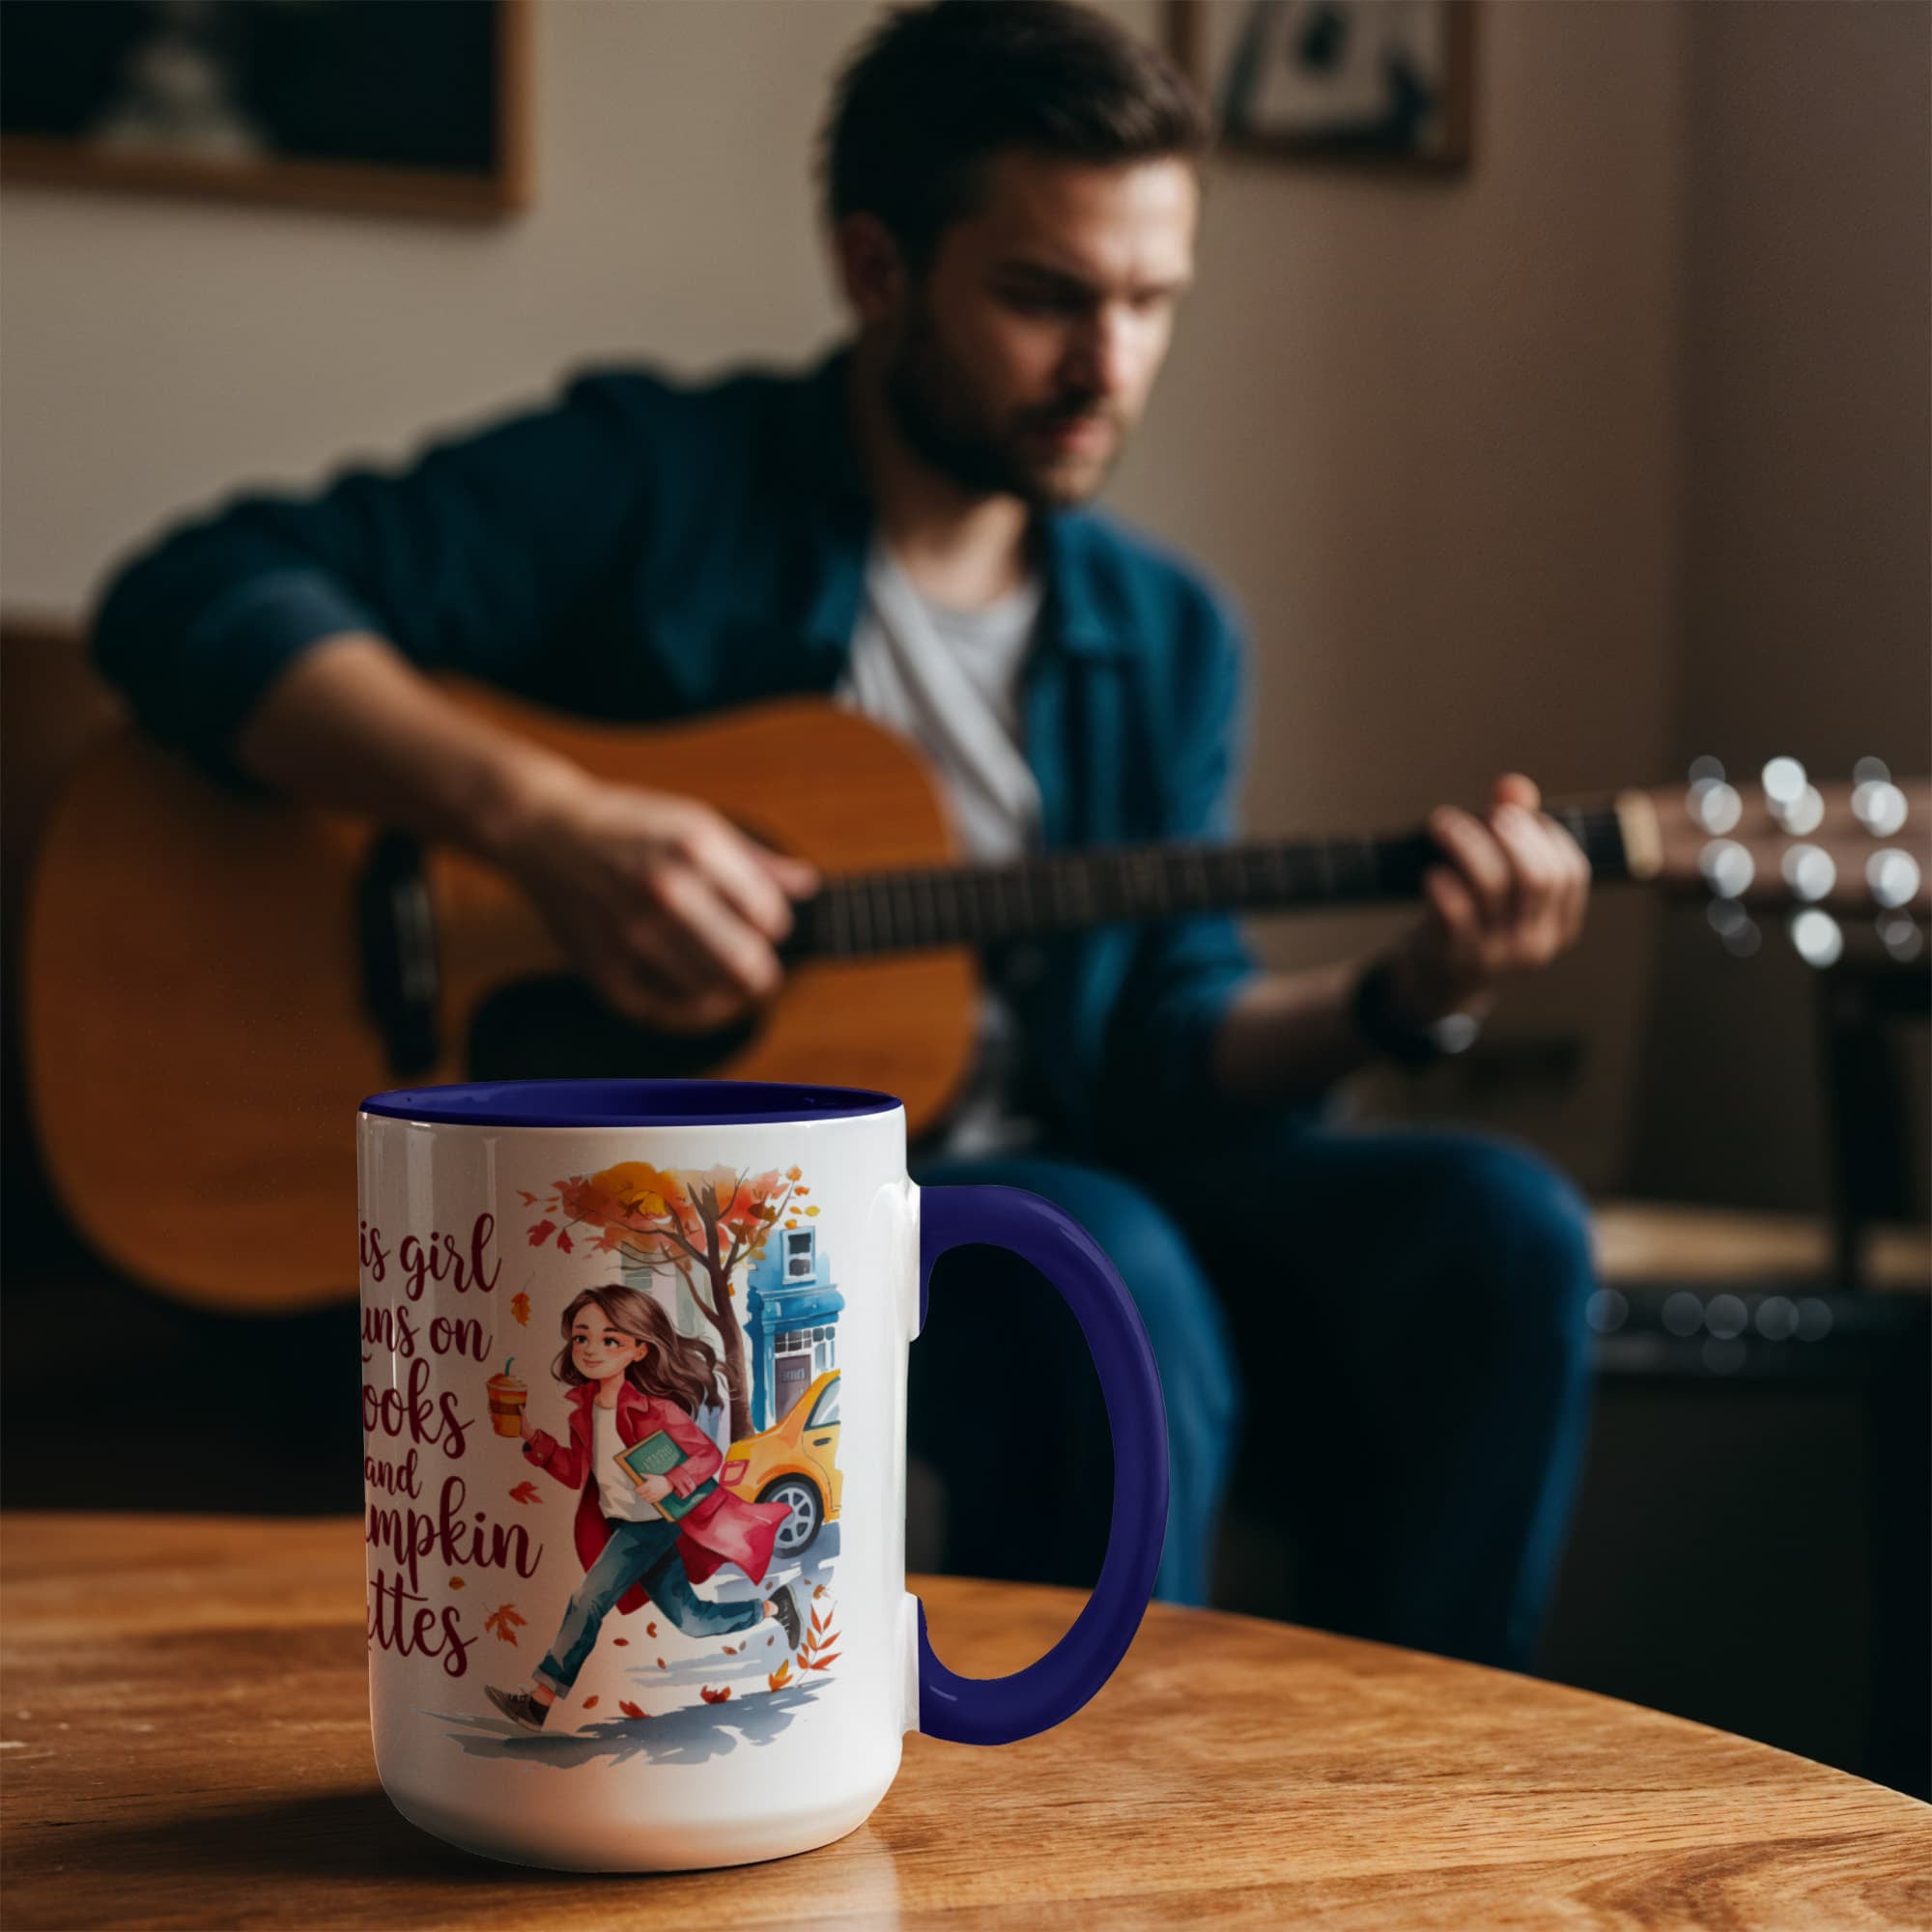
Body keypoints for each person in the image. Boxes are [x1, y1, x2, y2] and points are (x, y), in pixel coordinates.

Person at [90, 0, 1595, 1670]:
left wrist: (1405, 994)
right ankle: (1078, 1817)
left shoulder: (1169, 635)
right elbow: (195, 591)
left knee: (1501, 1227)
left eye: (1153, 302)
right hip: (755, 1213)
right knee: (1102, 1253)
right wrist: (550, 819)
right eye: (1047, 297)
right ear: (879, 270)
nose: (1112, 366)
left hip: (1084, 1174)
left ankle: (1436, 1780)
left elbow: (1172, 1034)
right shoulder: (658, 484)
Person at [490, 1286, 805, 1732]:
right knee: (693, 1620)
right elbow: (574, 1470)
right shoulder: (583, 1410)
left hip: (651, 1525)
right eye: (581, 1338)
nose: (591, 1349)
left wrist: (670, 1481)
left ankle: (539, 1702)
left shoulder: (656, 1411)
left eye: (610, 1340)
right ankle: (774, 1607)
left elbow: (706, 1458)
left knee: (587, 1600)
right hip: (623, 1522)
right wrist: (529, 1436)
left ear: (639, 1349)